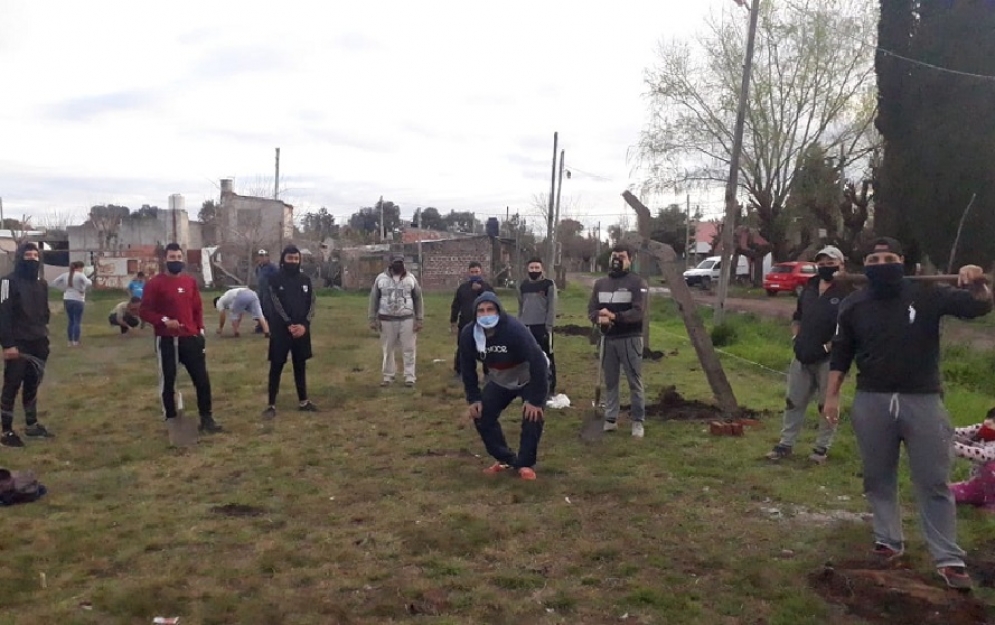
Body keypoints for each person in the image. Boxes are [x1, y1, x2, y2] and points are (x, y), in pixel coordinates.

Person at [825, 237, 992, 590]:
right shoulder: (854, 304)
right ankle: (888, 541)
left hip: (923, 401)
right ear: (866, 264)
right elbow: (842, 353)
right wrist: (832, 396)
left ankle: (948, 559)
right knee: (877, 477)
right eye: (874, 257)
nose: (881, 262)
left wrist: (977, 280)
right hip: (872, 400)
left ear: (901, 261)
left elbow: (978, 308)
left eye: (889, 257)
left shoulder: (927, 295)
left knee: (933, 481)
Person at [766, 245, 849, 464]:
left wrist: (828, 347)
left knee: (827, 404)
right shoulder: (810, 286)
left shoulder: (847, 291)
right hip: (802, 354)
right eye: (821, 264)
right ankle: (785, 444)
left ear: (841, 265)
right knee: (794, 401)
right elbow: (798, 316)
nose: (825, 267)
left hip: (829, 359)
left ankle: (821, 448)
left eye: (830, 263)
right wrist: (796, 337)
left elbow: (850, 328)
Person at [460, 292, 548, 481]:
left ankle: (525, 464)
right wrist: (473, 398)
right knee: (482, 414)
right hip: (500, 378)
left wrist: (536, 399)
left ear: (499, 311)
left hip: (528, 374)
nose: (486, 314)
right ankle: (505, 459)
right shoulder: (469, 334)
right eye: (481, 311)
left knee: (533, 415)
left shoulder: (514, 329)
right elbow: (467, 367)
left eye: (490, 309)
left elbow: (538, 361)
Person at [139, 243, 222, 434]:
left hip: (190, 338)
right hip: (168, 340)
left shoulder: (189, 282)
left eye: (178, 257)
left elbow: (197, 308)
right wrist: (164, 321)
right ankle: (171, 418)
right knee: (169, 381)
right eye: (172, 258)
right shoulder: (155, 284)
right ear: (165, 259)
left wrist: (199, 330)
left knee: (202, 379)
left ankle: (206, 418)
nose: (175, 261)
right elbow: (144, 311)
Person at [587, 244, 649, 438]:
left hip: (630, 338)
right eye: (614, 256)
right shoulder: (600, 284)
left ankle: (638, 421)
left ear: (630, 259)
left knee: (634, 380)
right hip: (608, 339)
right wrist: (599, 316)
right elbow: (592, 310)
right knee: (610, 381)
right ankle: (610, 418)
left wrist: (615, 316)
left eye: (622, 256)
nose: (617, 260)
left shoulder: (638, 283)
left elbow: (638, 312)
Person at [0, 243, 55, 446]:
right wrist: (8, 344)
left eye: (35, 255)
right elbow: (3, 314)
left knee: (33, 384)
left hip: (39, 342)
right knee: (12, 385)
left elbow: (45, 312)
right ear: (19, 257)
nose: (31, 258)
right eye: (27, 255)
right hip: (18, 344)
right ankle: (6, 432)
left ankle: (32, 425)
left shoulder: (42, 284)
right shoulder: (7, 282)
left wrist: (43, 334)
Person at [262, 245, 318, 417]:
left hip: (301, 331)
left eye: (296, 259)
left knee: (300, 365)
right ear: (283, 259)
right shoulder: (274, 279)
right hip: (281, 331)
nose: (293, 262)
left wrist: (304, 325)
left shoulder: (305, 280)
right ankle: (271, 405)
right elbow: (274, 302)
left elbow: (312, 303)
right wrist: (288, 323)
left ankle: (304, 401)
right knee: (276, 366)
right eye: (289, 259)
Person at [368, 254, 424, 387]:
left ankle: (409, 377)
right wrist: (372, 318)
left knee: (409, 348)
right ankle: (388, 376)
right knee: (388, 349)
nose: (399, 265)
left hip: (407, 319)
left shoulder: (411, 278)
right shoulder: (380, 279)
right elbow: (374, 299)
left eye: (401, 262)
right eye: (396, 262)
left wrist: (419, 319)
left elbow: (418, 298)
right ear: (390, 264)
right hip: (386, 319)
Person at [517, 257, 557, 398]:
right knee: (526, 358)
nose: (534, 270)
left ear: (542, 269)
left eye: (537, 268)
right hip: (526, 327)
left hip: (543, 327)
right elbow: (521, 306)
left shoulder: (548, 284)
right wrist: (520, 324)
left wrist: (549, 327)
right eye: (531, 268)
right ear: (527, 269)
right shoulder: (523, 285)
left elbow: (551, 307)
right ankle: (528, 386)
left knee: (546, 357)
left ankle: (549, 387)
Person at [450, 261, 493, 378]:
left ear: (481, 272)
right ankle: (460, 371)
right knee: (463, 348)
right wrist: (453, 321)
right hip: (465, 323)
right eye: (472, 272)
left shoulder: (487, 287)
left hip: (484, 323)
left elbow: (493, 304)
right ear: (468, 273)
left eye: (477, 272)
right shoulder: (463, 288)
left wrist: (480, 291)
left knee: (486, 348)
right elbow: (456, 305)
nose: (475, 274)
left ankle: (488, 373)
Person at [950, 408, 995, 513]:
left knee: (992, 468)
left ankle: (991, 505)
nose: (987, 422)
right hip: (977, 485)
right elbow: (958, 433)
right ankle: (977, 497)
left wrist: (953, 446)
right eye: (989, 417)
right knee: (946, 493)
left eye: (994, 421)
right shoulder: (982, 429)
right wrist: (942, 432)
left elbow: (982, 456)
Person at [52, 261, 92, 347]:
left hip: (67, 298)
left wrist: (63, 289)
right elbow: (89, 283)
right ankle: (76, 340)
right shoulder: (80, 275)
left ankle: (69, 341)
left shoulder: (65, 275)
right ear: (80, 267)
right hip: (78, 299)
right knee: (77, 320)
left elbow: (54, 282)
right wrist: (83, 288)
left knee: (70, 321)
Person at [254, 250, 279, 333]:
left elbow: (277, 277)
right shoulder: (258, 267)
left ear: (267, 257)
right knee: (259, 308)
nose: (262, 258)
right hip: (261, 290)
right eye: (260, 256)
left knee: (268, 309)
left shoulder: (272, 267)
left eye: (264, 256)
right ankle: (260, 326)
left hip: (269, 291)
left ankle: (270, 326)